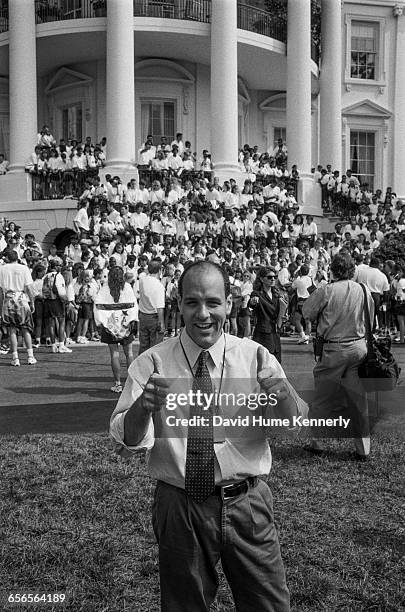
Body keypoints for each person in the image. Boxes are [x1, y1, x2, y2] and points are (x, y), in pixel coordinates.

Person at [110, 260, 308, 612]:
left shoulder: (255, 357)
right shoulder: (153, 362)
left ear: (229, 304)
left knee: (268, 604)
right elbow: (127, 440)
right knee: (185, 604)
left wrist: (283, 396)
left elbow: (291, 423)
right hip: (180, 504)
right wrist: (144, 407)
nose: (203, 314)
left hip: (248, 504)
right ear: (179, 303)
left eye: (213, 303)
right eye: (192, 303)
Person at [302, 251, 375, 459]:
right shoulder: (363, 290)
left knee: (322, 399)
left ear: (333, 269)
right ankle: (364, 449)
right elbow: (372, 320)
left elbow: (307, 312)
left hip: (335, 349)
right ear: (352, 270)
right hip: (359, 348)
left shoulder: (327, 290)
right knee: (359, 401)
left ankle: (319, 443)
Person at [94, 266, 138, 393]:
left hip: (110, 326)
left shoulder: (104, 289)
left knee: (114, 354)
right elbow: (134, 306)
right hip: (125, 324)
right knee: (129, 353)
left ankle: (118, 384)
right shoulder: (128, 288)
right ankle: (131, 383)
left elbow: (97, 307)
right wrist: (132, 321)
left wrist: (101, 323)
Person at [0, 249, 37, 366]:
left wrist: (1, 306)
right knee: (26, 329)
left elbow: (1, 290)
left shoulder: (2, 269)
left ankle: (15, 357)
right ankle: (30, 356)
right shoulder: (24, 268)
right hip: (22, 299)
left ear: (7, 258)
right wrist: (32, 302)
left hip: (8, 300)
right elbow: (29, 288)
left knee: (12, 330)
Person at [248, 266, 285, 363]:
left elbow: (279, 315)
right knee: (263, 366)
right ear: (261, 279)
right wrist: (252, 303)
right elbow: (251, 307)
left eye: (275, 277)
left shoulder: (277, 295)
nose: (273, 279)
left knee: (276, 367)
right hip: (263, 335)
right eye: (269, 277)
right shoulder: (256, 294)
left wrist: (284, 318)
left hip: (275, 334)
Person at [138, 259, 165, 355]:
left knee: (143, 345)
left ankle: (141, 368)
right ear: (160, 270)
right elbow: (160, 306)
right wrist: (161, 322)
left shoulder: (142, 280)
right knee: (155, 347)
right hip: (154, 317)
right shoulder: (159, 286)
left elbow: (143, 273)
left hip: (143, 316)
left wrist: (149, 268)